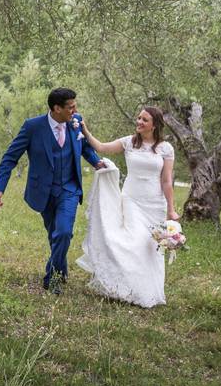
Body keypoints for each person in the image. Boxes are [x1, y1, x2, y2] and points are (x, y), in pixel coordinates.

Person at [0, 88, 106, 294]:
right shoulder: (32, 127)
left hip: (69, 188)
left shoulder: (75, 121)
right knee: (55, 235)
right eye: (71, 107)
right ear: (56, 108)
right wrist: (0, 187)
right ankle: (60, 269)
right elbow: (10, 157)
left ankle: (51, 278)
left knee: (63, 232)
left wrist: (97, 162)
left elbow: (84, 147)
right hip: (43, 190)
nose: (75, 110)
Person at [75, 106, 179, 307]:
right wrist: (85, 130)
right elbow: (102, 148)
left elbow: (166, 181)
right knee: (134, 241)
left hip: (155, 203)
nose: (139, 122)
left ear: (155, 125)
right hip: (131, 200)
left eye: (144, 120)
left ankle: (149, 292)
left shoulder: (165, 148)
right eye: (139, 118)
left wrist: (171, 209)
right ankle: (126, 288)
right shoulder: (129, 142)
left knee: (151, 248)